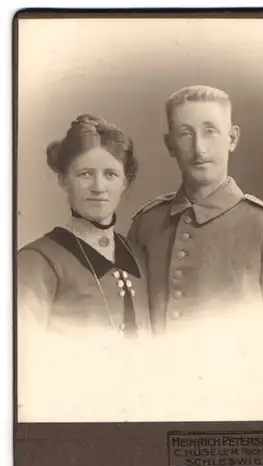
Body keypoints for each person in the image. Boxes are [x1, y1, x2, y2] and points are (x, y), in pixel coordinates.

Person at [128, 86, 263, 420]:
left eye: (211, 131)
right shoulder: (145, 226)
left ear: (232, 138)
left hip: (237, 407)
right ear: (169, 145)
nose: (199, 148)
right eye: (185, 134)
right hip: (155, 405)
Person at [17, 114, 151, 422]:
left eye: (111, 175)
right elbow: (22, 369)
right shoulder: (36, 262)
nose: (98, 187)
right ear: (63, 179)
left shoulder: (138, 256)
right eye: (85, 174)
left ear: (125, 182)